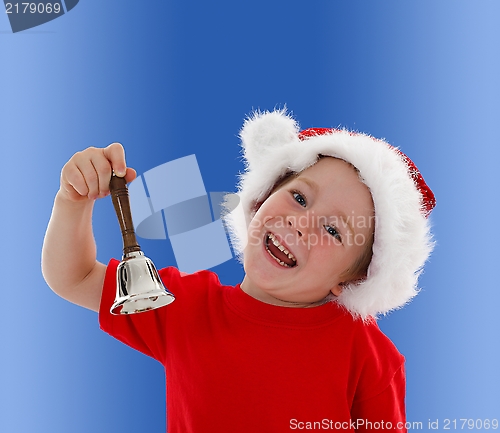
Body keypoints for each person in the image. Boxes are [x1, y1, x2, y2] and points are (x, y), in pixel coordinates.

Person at [42, 109, 435, 433]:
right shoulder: (185, 307)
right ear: (261, 198)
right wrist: (72, 200)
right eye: (299, 197)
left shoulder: (367, 355)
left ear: (352, 279)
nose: (301, 224)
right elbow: (73, 277)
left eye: (333, 230)